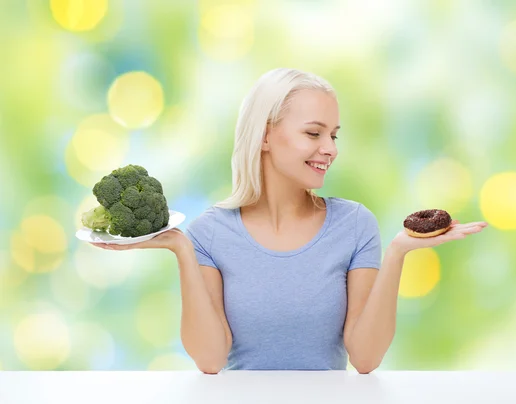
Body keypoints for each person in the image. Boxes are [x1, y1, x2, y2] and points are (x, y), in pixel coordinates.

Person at [92, 67, 487, 374]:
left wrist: (400, 251)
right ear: (265, 135)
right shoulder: (210, 233)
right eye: (314, 133)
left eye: (334, 135)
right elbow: (210, 361)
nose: (330, 149)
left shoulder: (354, 225)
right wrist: (180, 248)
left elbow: (365, 359)